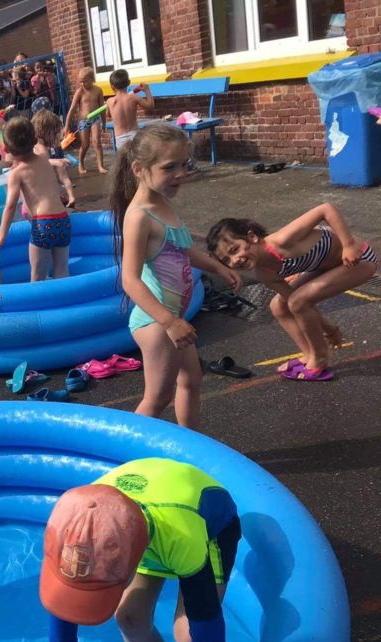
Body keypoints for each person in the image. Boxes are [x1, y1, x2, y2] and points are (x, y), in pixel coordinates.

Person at [40, 458, 242, 642]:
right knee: (129, 617)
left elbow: (206, 623)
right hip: (136, 527)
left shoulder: (182, 536)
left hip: (206, 528)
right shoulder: (75, 520)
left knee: (188, 635)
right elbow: (66, 589)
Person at [111, 124, 240, 428]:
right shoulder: (140, 216)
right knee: (156, 399)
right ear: (139, 169)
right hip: (158, 323)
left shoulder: (162, 203)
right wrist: (169, 323)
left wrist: (217, 267)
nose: (180, 174)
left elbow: (182, 250)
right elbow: (130, 279)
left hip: (173, 319)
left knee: (192, 379)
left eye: (184, 164)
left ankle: (190, 448)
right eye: (170, 167)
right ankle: (125, 462)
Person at [207, 206, 378, 381]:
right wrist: (329, 329)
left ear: (252, 237)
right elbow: (297, 303)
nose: (235, 260)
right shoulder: (265, 274)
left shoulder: (282, 240)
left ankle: (319, 358)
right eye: (227, 260)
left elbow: (326, 209)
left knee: (297, 301)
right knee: (279, 306)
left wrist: (348, 245)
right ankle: (308, 353)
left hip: (358, 259)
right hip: (329, 267)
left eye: (235, 249)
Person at [0, 117, 70, 282]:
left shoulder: (17, 173)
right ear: (34, 139)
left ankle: (39, 307)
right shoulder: (43, 155)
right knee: (62, 271)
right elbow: (38, 145)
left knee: (37, 276)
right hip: (62, 219)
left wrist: (1, 237)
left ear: (6, 148)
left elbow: (10, 207)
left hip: (43, 224)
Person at [65, 67, 107, 174]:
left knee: (97, 142)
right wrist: (66, 125)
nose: (82, 84)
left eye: (85, 81)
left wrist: (104, 123)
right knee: (85, 144)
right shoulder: (80, 92)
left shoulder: (98, 90)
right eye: (81, 82)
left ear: (92, 79)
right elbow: (72, 109)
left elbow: (102, 108)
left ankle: (100, 166)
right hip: (83, 121)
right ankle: (81, 163)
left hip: (95, 119)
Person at [32, 110, 77, 209]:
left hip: (49, 200)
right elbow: (35, 162)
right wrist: (55, 162)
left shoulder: (53, 151)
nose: (59, 137)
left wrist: (71, 196)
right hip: (37, 203)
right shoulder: (36, 149)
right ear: (46, 133)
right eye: (56, 133)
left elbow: (64, 177)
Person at [107, 69, 155, 150]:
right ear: (129, 82)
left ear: (112, 86)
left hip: (120, 138)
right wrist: (147, 90)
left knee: (125, 161)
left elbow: (109, 115)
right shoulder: (134, 97)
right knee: (136, 158)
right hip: (134, 134)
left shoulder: (110, 101)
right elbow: (150, 106)